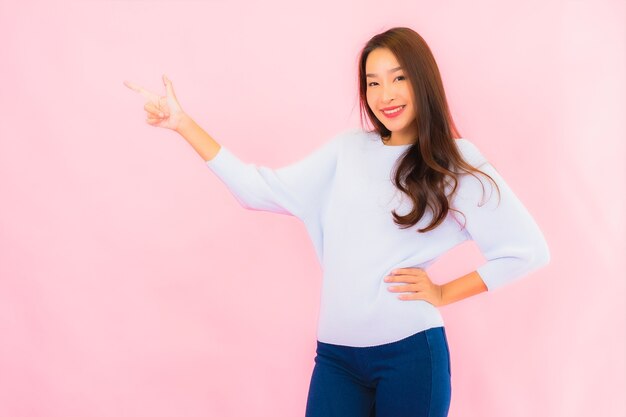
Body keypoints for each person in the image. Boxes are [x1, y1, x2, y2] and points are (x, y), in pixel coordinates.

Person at [124, 26, 550, 417]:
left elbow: (526, 251)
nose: (386, 94)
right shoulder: (347, 151)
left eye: (399, 77)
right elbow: (256, 190)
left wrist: (442, 292)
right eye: (373, 82)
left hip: (411, 356)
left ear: (423, 81)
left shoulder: (457, 164)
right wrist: (182, 124)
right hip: (336, 359)